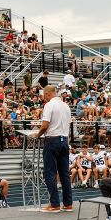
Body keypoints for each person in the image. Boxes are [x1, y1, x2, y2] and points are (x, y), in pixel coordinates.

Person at [35, 84, 73, 213]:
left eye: (44, 95)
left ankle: (55, 204)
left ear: (47, 94)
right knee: (64, 173)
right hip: (64, 140)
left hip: (52, 140)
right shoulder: (66, 106)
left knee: (50, 172)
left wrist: (37, 135)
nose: (43, 98)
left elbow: (45, 125)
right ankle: (68, 204)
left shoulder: (49, 105)